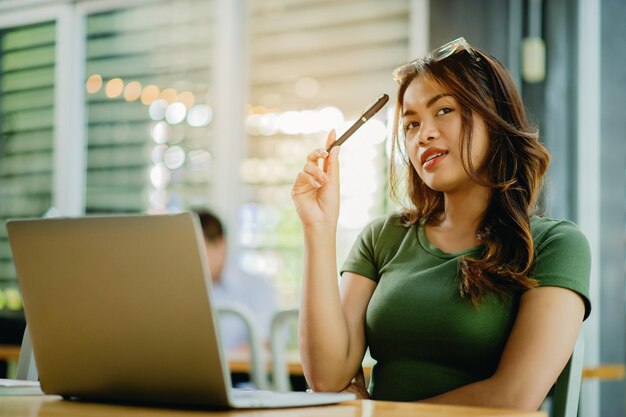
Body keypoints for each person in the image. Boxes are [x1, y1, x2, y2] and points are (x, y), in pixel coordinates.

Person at [290, 37, 591, 410]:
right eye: (411, 124)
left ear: (493, 118)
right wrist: (318, 229)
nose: (423, 134)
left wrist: (376, 411)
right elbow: (327, 378)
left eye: (444, 110)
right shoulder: (384, 237)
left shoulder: (554, 244)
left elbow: (512, 399)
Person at [195, 210, 276, 352]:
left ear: (220, 246)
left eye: (198, 250)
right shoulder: (180, 292)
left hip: (242, 372)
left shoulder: (258, 287)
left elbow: (267, 340)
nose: (191, 259)